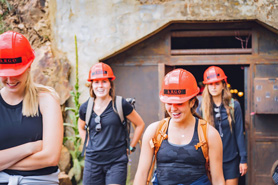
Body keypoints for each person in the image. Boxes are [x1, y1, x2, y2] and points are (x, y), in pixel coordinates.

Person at [134, 68, 225, 185]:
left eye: (179, 103)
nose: (173, 108)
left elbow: (218, 179)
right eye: (169, 103)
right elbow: (142, 174)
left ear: (192, 102)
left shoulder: (210, 134)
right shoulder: (154, 131)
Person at [0, 31, 63, 184]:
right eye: (4, 74)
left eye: (17, 72)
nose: (10, 79)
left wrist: (4, 161)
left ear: (28, 67)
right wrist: (30, 148)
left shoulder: (46, 100)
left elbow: (51, 157)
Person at [78, 62, 145, 185]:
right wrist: (87, 145)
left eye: (104, 82)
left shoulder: (120, 104)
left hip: (116, 162)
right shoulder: (85, 108)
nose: (100, 86)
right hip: (93, 162)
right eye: (96, 82)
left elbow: (140, 124)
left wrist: (131, 147)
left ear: (110, 84)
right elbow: (81, 127)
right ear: (91, 85)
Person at [200, 66, 248, 185]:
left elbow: (239, 133)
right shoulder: (201, 107)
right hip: (211, 160)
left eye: (217, 83)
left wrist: (243, 159)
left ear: (223, 84)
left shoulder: (234, 105)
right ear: (207, 87)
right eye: (210, 84)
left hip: (231, 159)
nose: (214, 87)